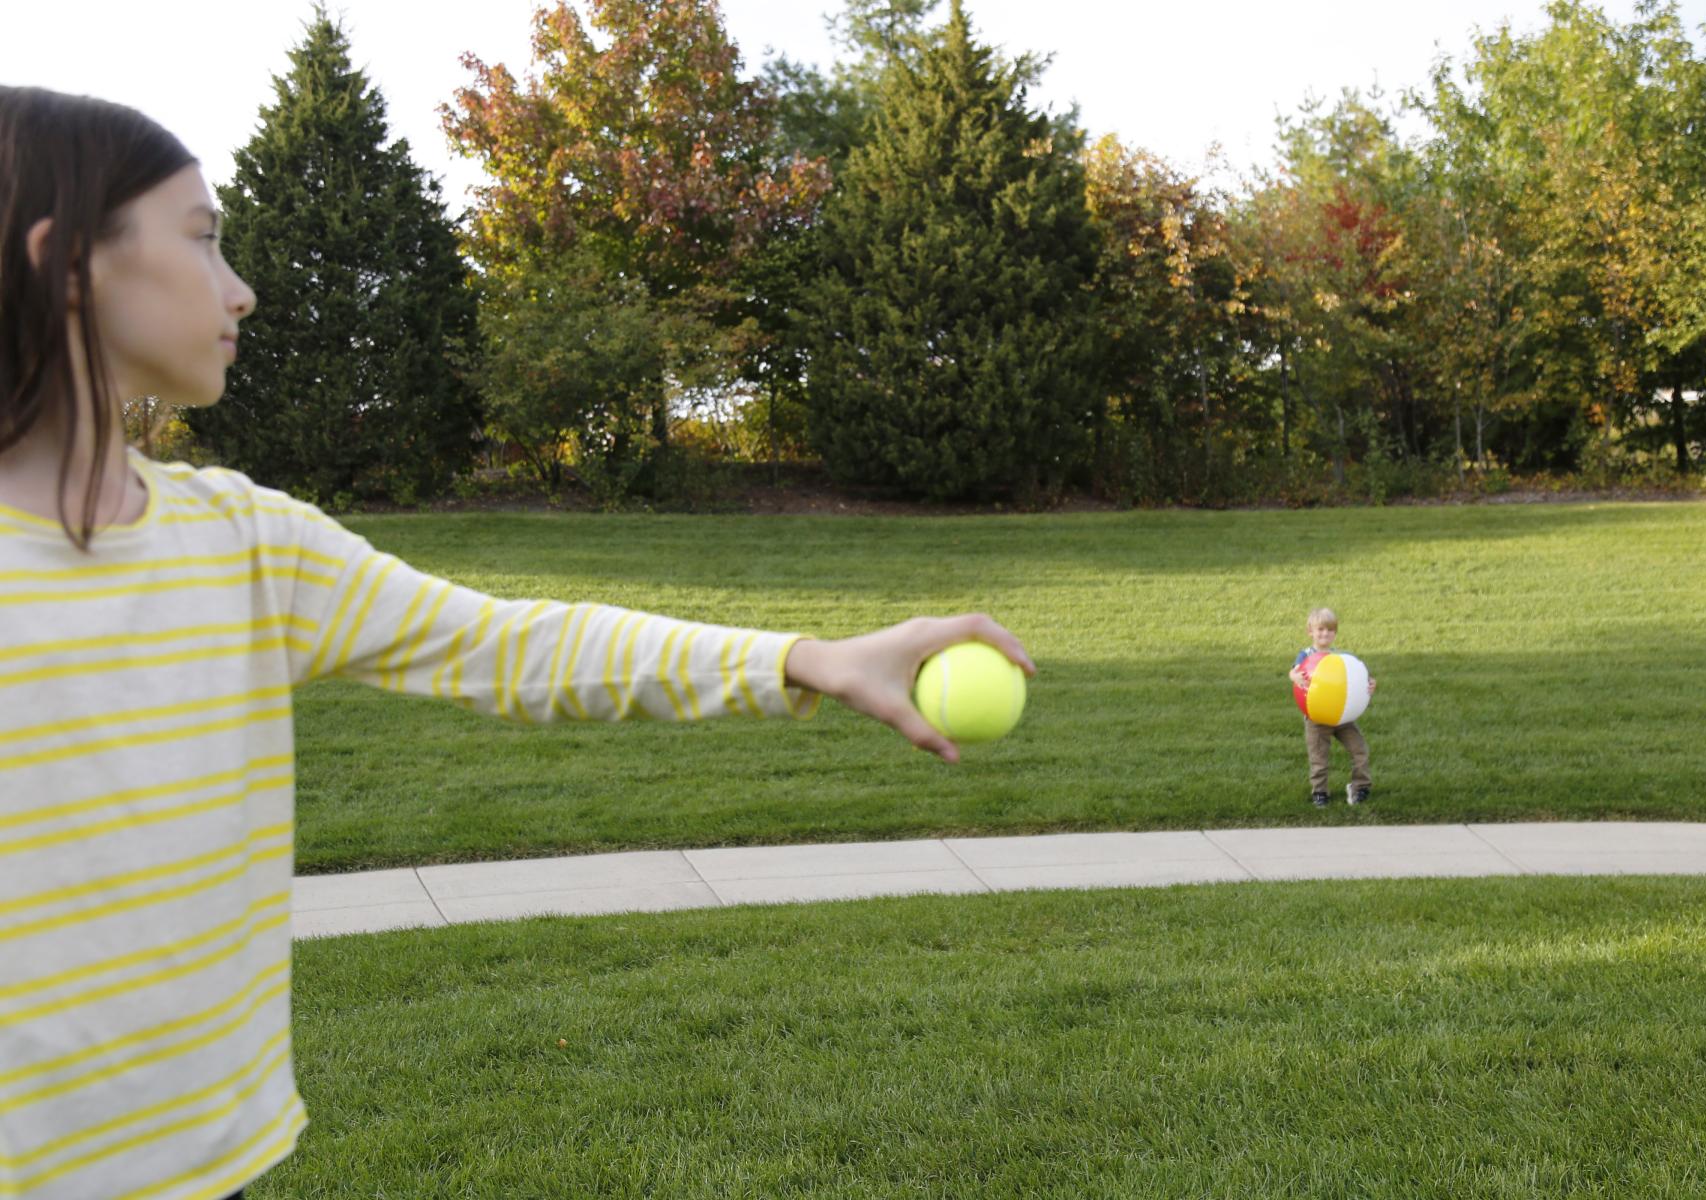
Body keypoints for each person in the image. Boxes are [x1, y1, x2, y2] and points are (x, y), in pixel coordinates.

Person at [0, 87, 1035, 1200]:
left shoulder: (248, 545)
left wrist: (807, 657)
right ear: (66, 263)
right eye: (203, 241)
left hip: (211, 1168)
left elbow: (516, 648)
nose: (240, 288)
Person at [1286, 606, 1375, 808]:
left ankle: (1360, 787)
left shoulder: (1341, 657)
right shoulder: (1306, 655)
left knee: (1360, 750)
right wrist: (1294, 676)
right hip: (1317, 718)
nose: (1325, 634)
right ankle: (1320, 792)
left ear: (1335, 633)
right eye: (1320, 630)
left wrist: (1370, 683)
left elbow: (1357, 678)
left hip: (1343, 717)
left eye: (1329, 630)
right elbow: (1293, 672)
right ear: (1311, 631)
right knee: (1319, 758)